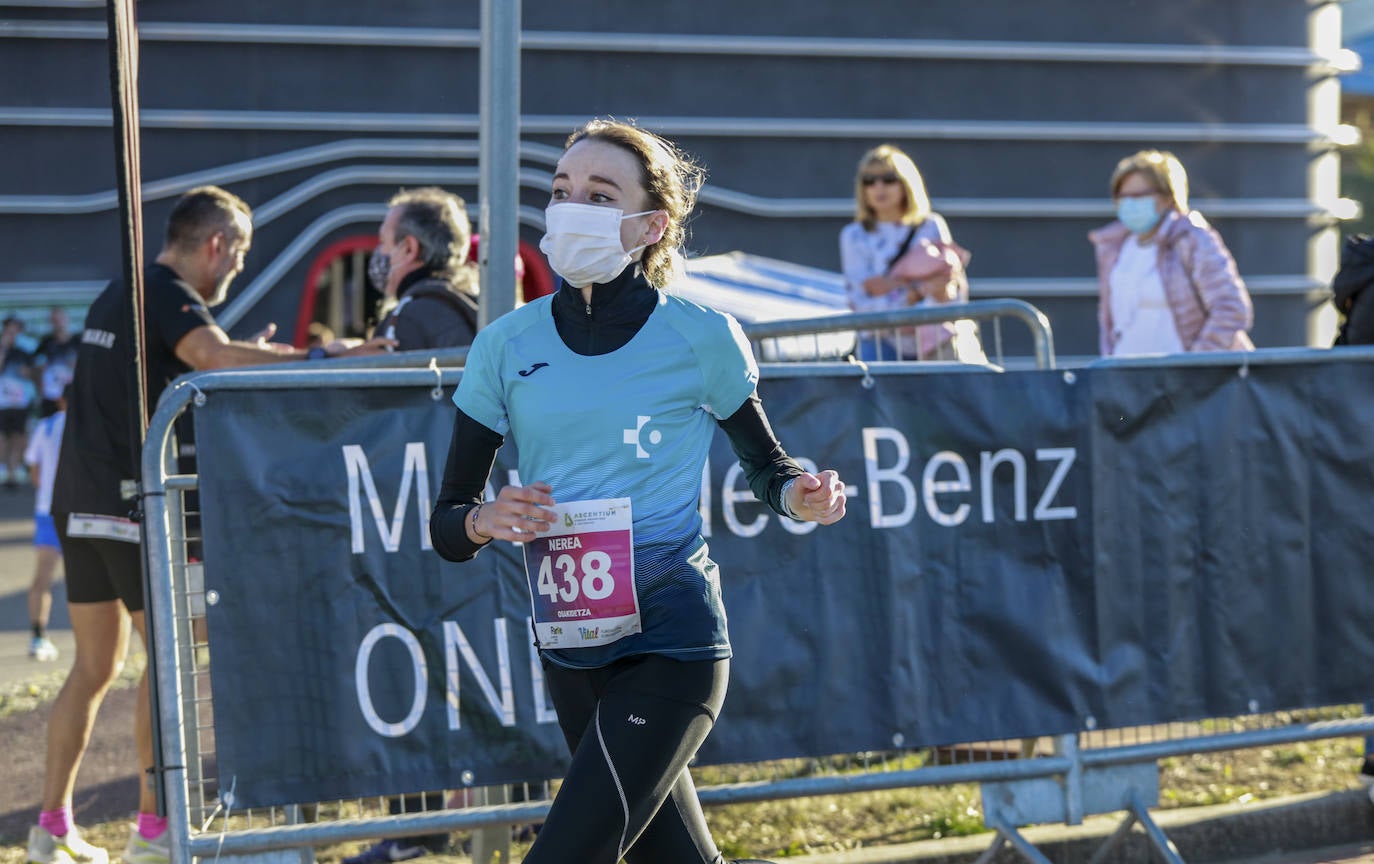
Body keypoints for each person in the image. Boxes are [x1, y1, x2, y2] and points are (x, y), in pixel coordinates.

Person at [429, 118, 847, 864]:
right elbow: (447, 523)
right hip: (571, 647)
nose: (570, 207)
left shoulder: (701, 336)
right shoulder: (505, 344)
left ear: (651, 225)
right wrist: (487, 518)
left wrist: (801, 497)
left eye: (598, 193)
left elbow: (768, 467)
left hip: (673, 638)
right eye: (561, 191)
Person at [28, 186, 393, 864]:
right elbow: (213, 358)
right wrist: (322, 355)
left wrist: (235, 350)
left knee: (96, 667)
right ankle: (155, 829)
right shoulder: (168, 292)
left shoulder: (127, 288)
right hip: (129, 504)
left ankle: (50, 824)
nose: (240, 269)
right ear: (216, 244)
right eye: (243, 253)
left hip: (79, 503)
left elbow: (199, 355)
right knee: (170, 664)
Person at [342, 186, 484, 864]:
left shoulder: (419, 311)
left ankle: (418, 831)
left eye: (383, 240)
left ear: (409, 249)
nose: (376, 255)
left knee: (419, 670)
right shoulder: (465, 305)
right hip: (459, 518)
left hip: (424, 519)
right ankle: (504, 813)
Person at [1089, 149, 1254, 356]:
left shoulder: (1192, 239)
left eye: (1139, 196)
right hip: (1130, 380)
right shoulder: (1113, 248)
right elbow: (1110, 322)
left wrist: (1194, 366)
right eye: (1123, 197)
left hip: (1185, 381)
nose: (1130, 203)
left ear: (1167, 198)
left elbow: (1231, 309)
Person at [839, 144, 976, 362]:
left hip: (936, 341)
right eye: (869, 181)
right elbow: (860, 303)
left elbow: (953, 287)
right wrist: (916, 292)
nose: (879, 187)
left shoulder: (931, 225)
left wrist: (895, 286)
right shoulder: (854, 235)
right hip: (880, 345)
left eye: (888, 179)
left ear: (906, 183)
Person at [368, 187, 479, 352]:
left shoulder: (406, 318)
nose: (379, 251)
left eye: (384, 241)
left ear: (409, 248)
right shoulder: (479, 305)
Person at [25, 383, 68, 663]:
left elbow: (35, 472)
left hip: (48, 511)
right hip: (81, 511)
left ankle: (38, 636)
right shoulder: (91, 425)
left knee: (42, 577)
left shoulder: (47, 426)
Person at [0, 316, 37, 487]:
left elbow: (33, 374)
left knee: (17, 437)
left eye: (15, 331)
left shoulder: (24, 351)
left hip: (19, 402)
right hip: (2, 402)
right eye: (9, 330)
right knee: (2, 438)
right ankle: (4, 468)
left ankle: (12, 473)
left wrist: (27, 373)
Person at [35, 307, 79, 418]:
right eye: (54, 320)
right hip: (51, 395)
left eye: (60, 318)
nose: (58, 322)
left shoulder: (78, 341)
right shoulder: (45, 342)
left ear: (67, 319)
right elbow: (37, 367)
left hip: (73, 394)